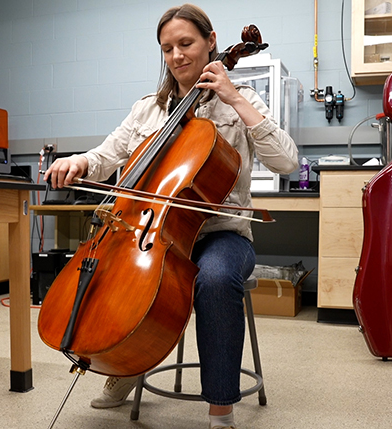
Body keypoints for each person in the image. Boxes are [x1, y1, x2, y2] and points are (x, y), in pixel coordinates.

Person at [44, 4, 298, 428]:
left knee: (215, 279)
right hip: (147, 228)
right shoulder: (148, 109)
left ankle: (220, 409)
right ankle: (124, 364)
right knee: (122, 280)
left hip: (221, 234)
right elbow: (107, 155)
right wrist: (79, 162)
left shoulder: (244, 102)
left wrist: (233, 95)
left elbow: (287, 162)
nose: (177, 56)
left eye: (186, 43)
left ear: (210, 42)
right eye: (167, 49)